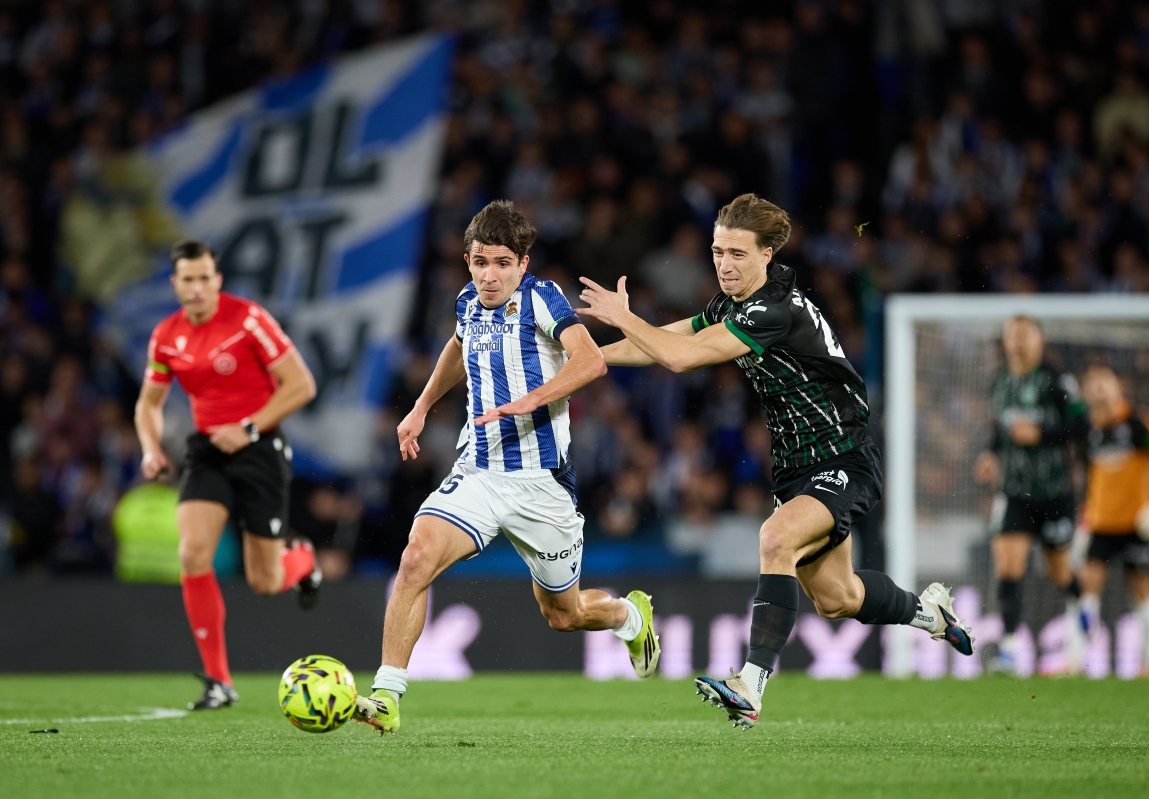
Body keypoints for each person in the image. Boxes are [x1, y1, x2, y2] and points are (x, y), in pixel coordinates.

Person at [578, 193, 973, 730]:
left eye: (738, 253)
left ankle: (749, 685)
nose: (724, 263)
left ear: (767, 255)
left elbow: (679, 357)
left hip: (843, 458)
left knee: (775, 538)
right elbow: (673, 337)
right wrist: (591, 358)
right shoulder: (734, 303)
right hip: (795, 468)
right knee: (838, 598)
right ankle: (933, 614)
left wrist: (625, 318)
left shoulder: (775, 309)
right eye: (718, 251)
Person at [353, 201, 659, 736]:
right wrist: (421, 407)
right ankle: (386, 695)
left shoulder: (543, 298)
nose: (488, 275)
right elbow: (456, 346)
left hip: (542, 486)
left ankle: (628, 617)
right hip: (479, 472)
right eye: (478, 262)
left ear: (522, 262)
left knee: (564, 616)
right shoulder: (468, 301)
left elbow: (591, 360)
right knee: (416, 558)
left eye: (499, 263)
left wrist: (531, 399)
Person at [134, 240, 320, 710]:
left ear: (217, 280)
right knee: (193, 554)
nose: (197, 288)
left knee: (265, 579)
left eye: (204, 278)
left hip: (260, 448)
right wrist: (150, 448)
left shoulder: (248, 319)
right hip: (209, 451)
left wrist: (250, 427)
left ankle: (303, 561)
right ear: (174, 284)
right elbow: (149, 404)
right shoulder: (166, 336)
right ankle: (219, 682)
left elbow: (301, 384)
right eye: (187, 279)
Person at [973, 316, 1088, 675]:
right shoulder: (999, 381)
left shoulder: (1057, 380)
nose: (1019, 340)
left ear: (1040, 340)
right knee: (1008, 563)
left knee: (1058, 570)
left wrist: (1041, 433)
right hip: (1015, 493)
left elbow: (1081, 426)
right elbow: (1000, 429)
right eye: (1013, 334)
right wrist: (991, 454)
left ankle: (1079, 605)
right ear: (1006, 341)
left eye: (1026, 334)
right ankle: (1008, 650)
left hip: (1054, 493)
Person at [1077, 365, 1149, 677]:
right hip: (1101, 525)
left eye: (1103, 382)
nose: (1098, 389)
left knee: (1144, 592)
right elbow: (1090, 481)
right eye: (1091, 384)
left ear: (1117, 385)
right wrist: (1083, 522)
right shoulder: (1088, 431)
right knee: (1086, 589)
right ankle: (1076, 660)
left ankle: (1148, 664)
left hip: (1137, 525)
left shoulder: (1139, 421)